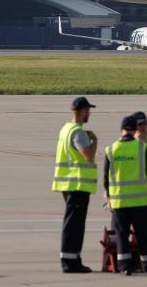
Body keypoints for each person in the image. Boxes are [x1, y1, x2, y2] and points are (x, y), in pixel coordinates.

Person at [103, 115, 147, 275]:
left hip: (119, 201)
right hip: (140, 200)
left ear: (121, 130)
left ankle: (124, 267)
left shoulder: (110, 149)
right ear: (134, 130)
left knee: (121, 234)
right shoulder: (142, 147)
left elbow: (106, 176)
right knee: (144, 234)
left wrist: (108, 194)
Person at [52, 96, 98, 273]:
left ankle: (73, 257)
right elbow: (88, 156)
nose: (89, 114)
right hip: (77, 184)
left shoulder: (66, 129)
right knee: (74, 225)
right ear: (81, 111)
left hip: (68, 183)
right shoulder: (78, 132)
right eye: (88, 110)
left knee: (73, 223)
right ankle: (70, 261)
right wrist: (94, 140)